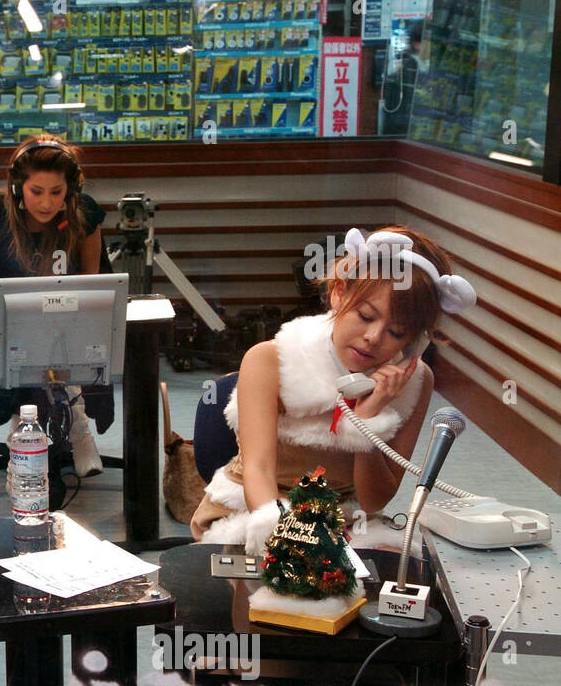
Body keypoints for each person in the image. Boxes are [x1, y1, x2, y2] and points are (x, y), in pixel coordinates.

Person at [190, 225, 476, 553]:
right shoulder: (271, 359)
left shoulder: (415, 382)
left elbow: (373, 500)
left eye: (397, 332)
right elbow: (259, 468)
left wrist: (367, 421)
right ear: (339, 293)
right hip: (254, 508)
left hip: (346, 518)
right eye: (365, 315)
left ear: (416, 341)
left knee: (395, 576)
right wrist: (284, 534)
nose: (373, 337)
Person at [0, 134, 107, 476]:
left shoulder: (85, 214)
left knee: (57, 345)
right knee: (29, 352)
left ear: (70, 190)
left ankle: (35, 434)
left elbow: (92, 276)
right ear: (17, 188)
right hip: (10, 319)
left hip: (67, 318)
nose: (46, 203)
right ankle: (75, 432)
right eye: (36, 192)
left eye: (57, 192)